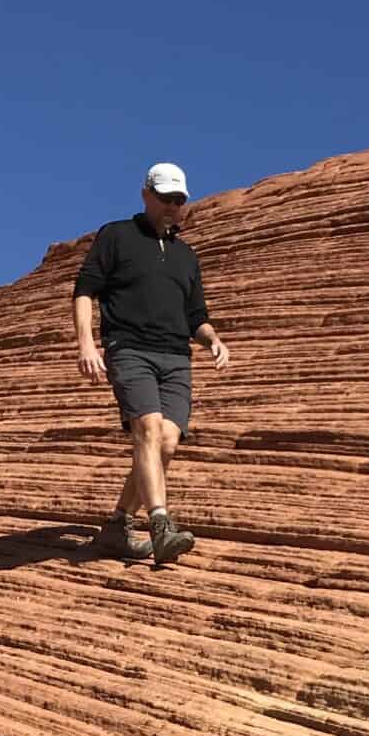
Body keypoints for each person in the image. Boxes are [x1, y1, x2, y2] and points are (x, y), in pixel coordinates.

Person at [73, 162, 231, 563]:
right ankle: (160, 524)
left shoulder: (186, 257)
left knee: (166, 443)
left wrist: (212, 339)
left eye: (178, 200)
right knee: (145, 428)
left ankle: (117, 526)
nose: (171, 206)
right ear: (146, 194)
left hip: (176, 357)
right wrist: (87, 345)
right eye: (164, 198)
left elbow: (196, 315)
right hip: (129, 348)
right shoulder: (117, 236)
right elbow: (85, 291)